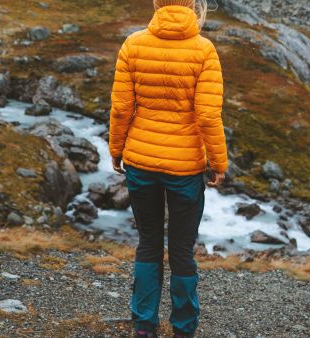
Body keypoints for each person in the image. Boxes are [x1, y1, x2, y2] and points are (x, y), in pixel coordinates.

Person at [108, 0, 227, 336]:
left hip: (140, 162)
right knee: (181, 249)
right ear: (192, 5)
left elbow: (121, 109)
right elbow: (206, 116)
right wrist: (218, 163)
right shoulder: (204, 50)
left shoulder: (133, 44)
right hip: (185, 168)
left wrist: (116, 150)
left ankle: (144, 325)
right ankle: (183, 328)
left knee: (148, 241)